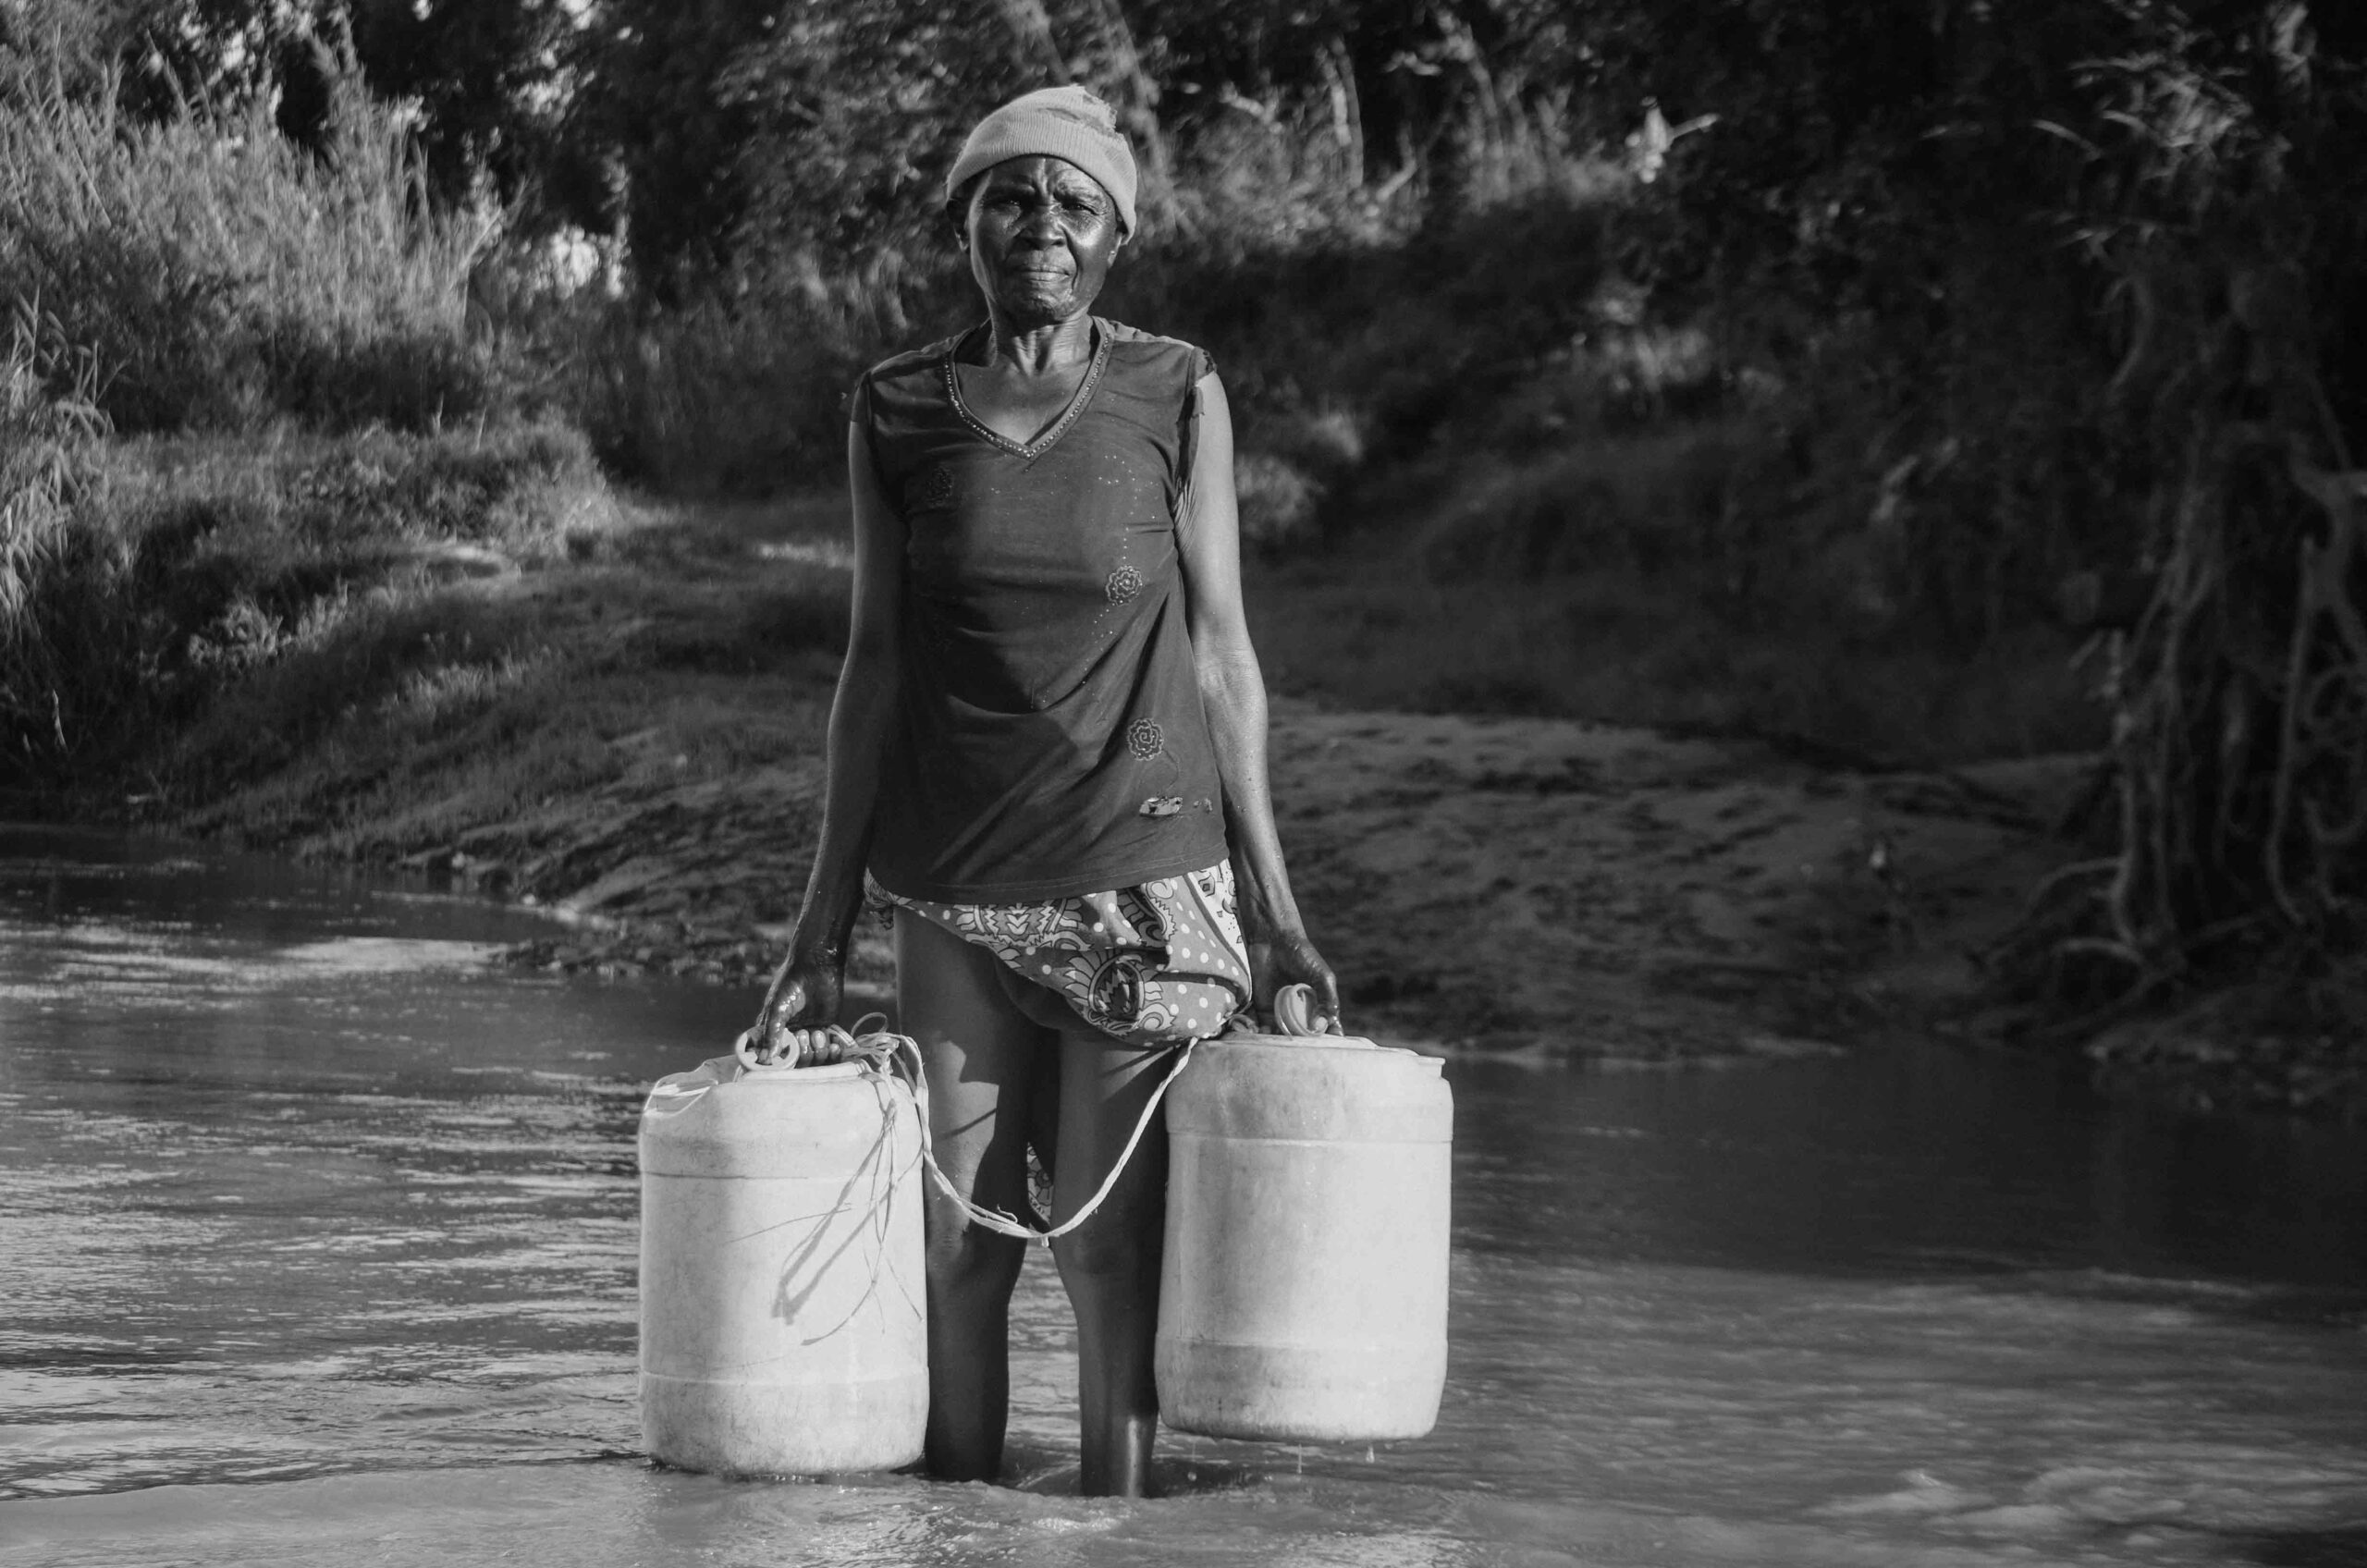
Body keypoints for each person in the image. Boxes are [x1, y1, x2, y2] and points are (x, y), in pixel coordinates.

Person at [752, 84, 1341, 1498]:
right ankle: (958, 1524)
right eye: (1010, 199)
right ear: (962, 222)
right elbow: (873, 668)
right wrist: (815, 932)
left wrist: (1278, 916)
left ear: (1118, 235)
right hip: (954, 886)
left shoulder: (1173, 389)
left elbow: (1224, 653)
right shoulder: (895, 410)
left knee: (1102, 1249)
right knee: (956, 1247)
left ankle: (1116, 1522)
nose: (1044, 228)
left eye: (1076, 204)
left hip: (1144, 881)